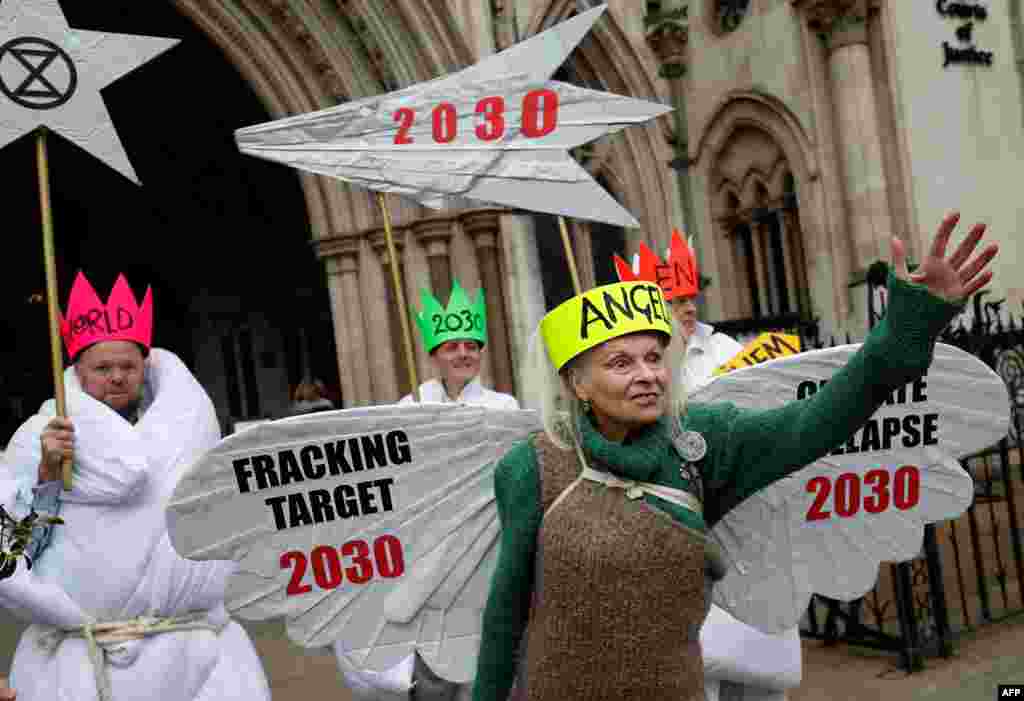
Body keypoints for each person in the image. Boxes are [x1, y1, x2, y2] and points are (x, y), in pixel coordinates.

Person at [473, 212, 996, 701]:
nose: (647, 374)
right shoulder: (532, 466)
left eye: (654, 356)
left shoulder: (703, 441)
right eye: (620, 362)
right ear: (576, 382)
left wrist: (905, 327)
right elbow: (504, 614)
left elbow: (816, 420)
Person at [0, 272, 271, 701]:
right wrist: (49, 473)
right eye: (102, 368)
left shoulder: (191, 434)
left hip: (194, 654)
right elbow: (15, 553)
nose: (117, 377)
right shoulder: (38, 436)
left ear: (145, 369)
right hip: (88, 664)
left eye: (128, 366)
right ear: (78, 371)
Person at [616, 230, 800, 701]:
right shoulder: (643, 365)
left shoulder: (725, 350)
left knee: (759, 651)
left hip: (743, 511)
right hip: (674, 522)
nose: (688, 306)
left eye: (690, 295)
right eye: (674, 298)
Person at [615, 229, 744, 394]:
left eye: (692, 299)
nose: (692, 309)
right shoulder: (637, 366)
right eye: (681, 302)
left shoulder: (723, 347)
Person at [399, 279, 518, 409]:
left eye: (471, 347)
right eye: (452, 347)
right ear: (433, 358)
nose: (463, 353)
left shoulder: (504, 406)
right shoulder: (412, 405)